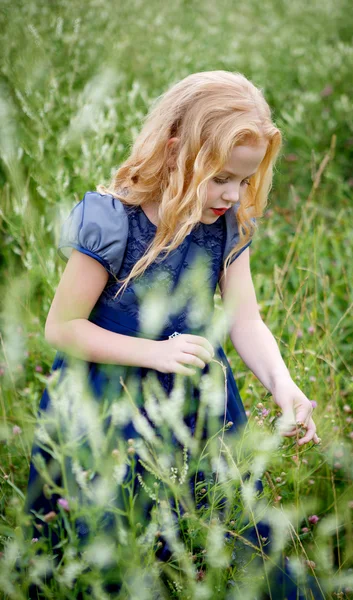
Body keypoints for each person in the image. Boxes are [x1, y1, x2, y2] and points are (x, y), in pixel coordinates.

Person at [23, 70, 322, 599]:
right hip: (106, 405)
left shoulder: (227, 224)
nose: (232, 195)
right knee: (107, 542)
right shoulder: (112, 221)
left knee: (239, 525)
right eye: (222, 177)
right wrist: (154, 353)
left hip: (196, 405)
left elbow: (245, 319)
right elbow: (61, 327)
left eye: (244, 181)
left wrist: (283, 385)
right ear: (175, 149)